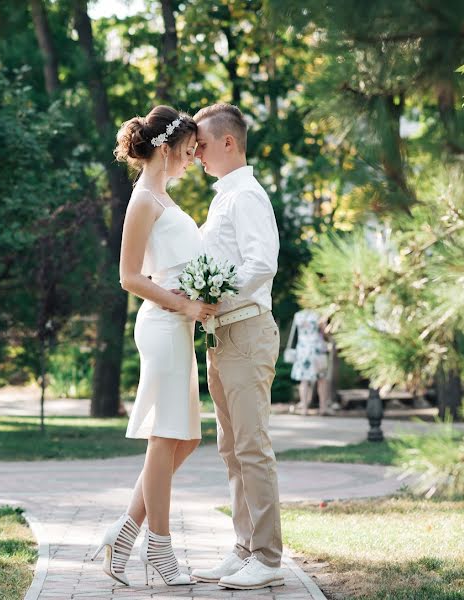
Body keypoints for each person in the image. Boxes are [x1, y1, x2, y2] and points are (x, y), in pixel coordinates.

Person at [92, 105, 217, 587]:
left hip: (178, 325)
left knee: (185, 438)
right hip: (163, 324)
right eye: (187, 153)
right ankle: (159, 550)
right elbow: (128, 277)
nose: (191, 161)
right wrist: (184, 306)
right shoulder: (143, 199)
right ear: (164, 150)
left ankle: (124, 533)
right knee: (166, 436)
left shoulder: (162, 196)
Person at [189, 103, 285, 590]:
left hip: (246, 330)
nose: (196, 153)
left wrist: (214, 295)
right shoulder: (222, 197)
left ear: (229, 142)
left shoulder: (247, 195)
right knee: (231, 448)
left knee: (251, 446)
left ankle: (267, 558)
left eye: (202, 145)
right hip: (221, 335)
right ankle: (244, 547)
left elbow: (261, 263)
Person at [286, 309, 331, 415]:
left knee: (304, 381)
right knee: (322, 379)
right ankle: (323, 408)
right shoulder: (319, 315)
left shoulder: (298, 315)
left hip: (302, 350)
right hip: (317, 349)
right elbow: (324, 332)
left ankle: (304, 409)